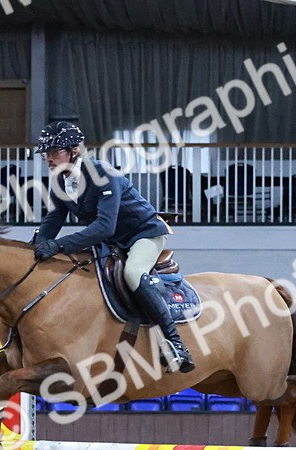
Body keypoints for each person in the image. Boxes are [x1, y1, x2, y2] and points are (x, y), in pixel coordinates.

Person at [32, 121, 194, 373]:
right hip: (113, 241)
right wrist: (39, 246)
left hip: (143, 233)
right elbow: (54, 219)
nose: (49, 159)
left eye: (54, 153)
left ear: (74, 151)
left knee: (132, 272)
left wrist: (58, 245)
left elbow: (104, 227)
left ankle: (175, 344)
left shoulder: (102, 173)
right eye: (46, 154)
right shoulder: (59, 182)